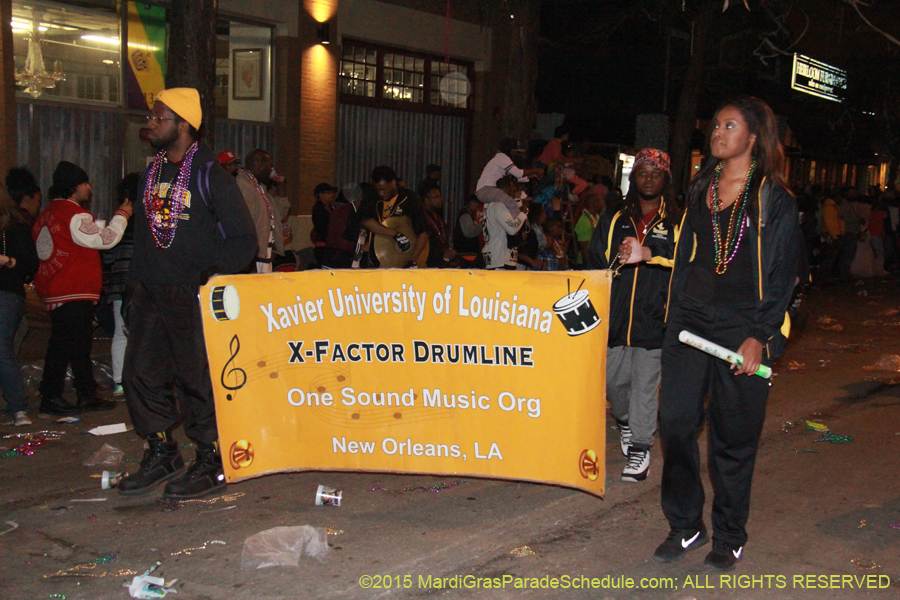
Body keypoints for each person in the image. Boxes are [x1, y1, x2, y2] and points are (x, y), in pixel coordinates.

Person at [655, 98, 800, 570]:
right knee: (675, 423)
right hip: (691, 320)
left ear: (753, 137)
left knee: (732, 438)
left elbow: (783, 276)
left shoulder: (773, 198)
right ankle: (685, 525)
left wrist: (761, 335)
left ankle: (729, 533)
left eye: (729, 125)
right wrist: (669, 308)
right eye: (715, 124)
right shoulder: (702, 186)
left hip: (744, 323)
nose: (717, 132)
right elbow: (687, 254)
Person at [118, 88, 256, 499]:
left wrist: (208, 279)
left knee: (197, 381)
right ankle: (162, 451)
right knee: (139, 375)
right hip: (151, 292)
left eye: (159, 118)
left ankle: (212, 460)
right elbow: (145, 235)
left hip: (191, 295)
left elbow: (243, 240)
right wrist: (133, 288)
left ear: (183, 125)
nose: (151, 124)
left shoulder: (209, 174)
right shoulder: (151, 172)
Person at [588, 148, 677, 483]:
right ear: (633, 177)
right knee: (613, 385)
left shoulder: (677, 221)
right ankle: (624, 421)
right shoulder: (612, 218)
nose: (649, 179)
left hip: (655, 320)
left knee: (644, 385)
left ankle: (641, 447)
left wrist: (650, 254)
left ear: (666, 179)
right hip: (615, 320)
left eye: (656, 173)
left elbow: (685, 260)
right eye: (643, 173)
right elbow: (596, 263)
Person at [32, 161, 130, 416]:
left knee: (75, 345)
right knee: (66, 345)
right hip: (72, 288)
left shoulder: (47, 214)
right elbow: (105, 240)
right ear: (75, 186)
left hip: (55, 287)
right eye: (85, 183)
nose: (89, 187)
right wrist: (123, 214)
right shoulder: (73, 214)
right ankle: (52, 395)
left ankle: (86, 393)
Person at [0, 181, 39, 426]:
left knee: (2, 349)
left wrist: (7, 261)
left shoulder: (13, 228)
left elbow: (31, 265)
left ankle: (17, 407)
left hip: (6, 292)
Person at [102, 173, 140, 396]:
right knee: (144, 333)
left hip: (119, 285)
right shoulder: (151, 220)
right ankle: (141, 380)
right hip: (143, 284)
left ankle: (118, 381)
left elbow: (107, 257)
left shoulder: (119, 222)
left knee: (120, 333)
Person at [360, 166, 428, 267]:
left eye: (384, 189)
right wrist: (395, 234)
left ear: (393, 182)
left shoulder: (409, 199)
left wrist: (413, 259)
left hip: (404, 257)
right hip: (377, 259)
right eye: (378, 189)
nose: (381, 193)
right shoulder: (371, 198)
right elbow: (365, 220)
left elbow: (424, 231)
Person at [236, 149, 290, 273]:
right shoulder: (243, 185)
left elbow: (280, 214)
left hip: (264, 254)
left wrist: (281, 185)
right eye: (269, 165)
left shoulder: (259, 188)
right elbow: (245, 223)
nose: (271, 170)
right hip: (254, 257)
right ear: (260, 164)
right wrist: (250, 258)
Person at [475, 137, 543, 209]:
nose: (516, 154)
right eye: (515, 152)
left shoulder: (500, 158)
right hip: (487, 190)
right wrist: (536, 170)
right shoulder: (502, 158)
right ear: (510, 151)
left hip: (485, 191)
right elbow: (518, 174)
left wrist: (532, 175)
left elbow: (516, 178)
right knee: (511, 203)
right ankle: (515, 220)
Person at [482, 175, 528, 270]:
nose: (513, 193)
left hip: (498, 259)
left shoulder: (491, 205)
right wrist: (522, 214)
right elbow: (512, 229)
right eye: (512, 189)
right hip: (499, 260)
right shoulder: (498, 206)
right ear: (506, 189)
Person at [323, 183, 368, 269]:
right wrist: (359, 247)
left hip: (353, 264)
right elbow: (334, 240)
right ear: (361, 199)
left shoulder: (362, 214)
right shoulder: (343, 212)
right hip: (336, 264)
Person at [421, 182, 456, 268]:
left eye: (440, 196)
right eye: (436, 197)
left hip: (441, 262)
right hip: (428, 262)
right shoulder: (422, 218)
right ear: (427, 200)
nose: (440, 200)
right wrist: (442, 253)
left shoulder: (438, 216)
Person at [311, 182, 339, 267]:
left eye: (332, 193)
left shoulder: (333, 208)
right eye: (328, 193)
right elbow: (322, 227)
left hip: (333, 245)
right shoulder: (318, 209)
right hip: (323, 245)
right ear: (320, 194)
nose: (332, 195)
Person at [453, 194, 484, 267]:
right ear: (471, 203)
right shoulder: (465, 214)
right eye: (476, 206)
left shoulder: (466, 214)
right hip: (466, 254)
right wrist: (481, 225)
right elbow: (469, 232)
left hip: (466, 253)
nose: (477, 209)